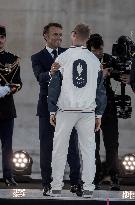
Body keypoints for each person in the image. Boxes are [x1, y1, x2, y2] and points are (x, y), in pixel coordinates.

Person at [48, 24, 106, 198]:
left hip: (66, 110)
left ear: (73, 35)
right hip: (88, 112)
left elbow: (54, 86)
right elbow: (100, 91)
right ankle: (89, 188)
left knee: (59, 149)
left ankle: (56, 187)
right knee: (88, 150)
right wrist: (99, 114)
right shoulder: (95, 61)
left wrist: (52, 110)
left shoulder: (62, 58)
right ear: (88, 39)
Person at [31, 23, 81, 195]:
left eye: (60, 35)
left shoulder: (70, 54)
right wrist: (51, 72)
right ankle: (47, 184)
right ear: (45, 35)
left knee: (72, 147)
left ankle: (76, 182)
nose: (59, 38)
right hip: (46, 110)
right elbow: (40, 77)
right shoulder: (37, 57)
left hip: (68, 108)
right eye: (55, 35)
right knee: (47, 148)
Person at [87, 34, 120, 190]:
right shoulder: (83, 61)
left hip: (109, 109)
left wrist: (124, 76)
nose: (98, 53)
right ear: (89, 49)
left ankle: (114, 177)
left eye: (100, 50)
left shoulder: (107, 58)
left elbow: (119, 71)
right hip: (91, 109)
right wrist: (101, 74)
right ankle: (95, 177)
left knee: (112, 144)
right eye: (95, 50)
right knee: (94, 146)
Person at [0, 25, 22, 186]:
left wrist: (7, 89)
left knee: (7, 146)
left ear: (5, 38)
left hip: (6, 108)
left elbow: (18, 83)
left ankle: (8, 176)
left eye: (1, 37)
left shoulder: (12, 59)